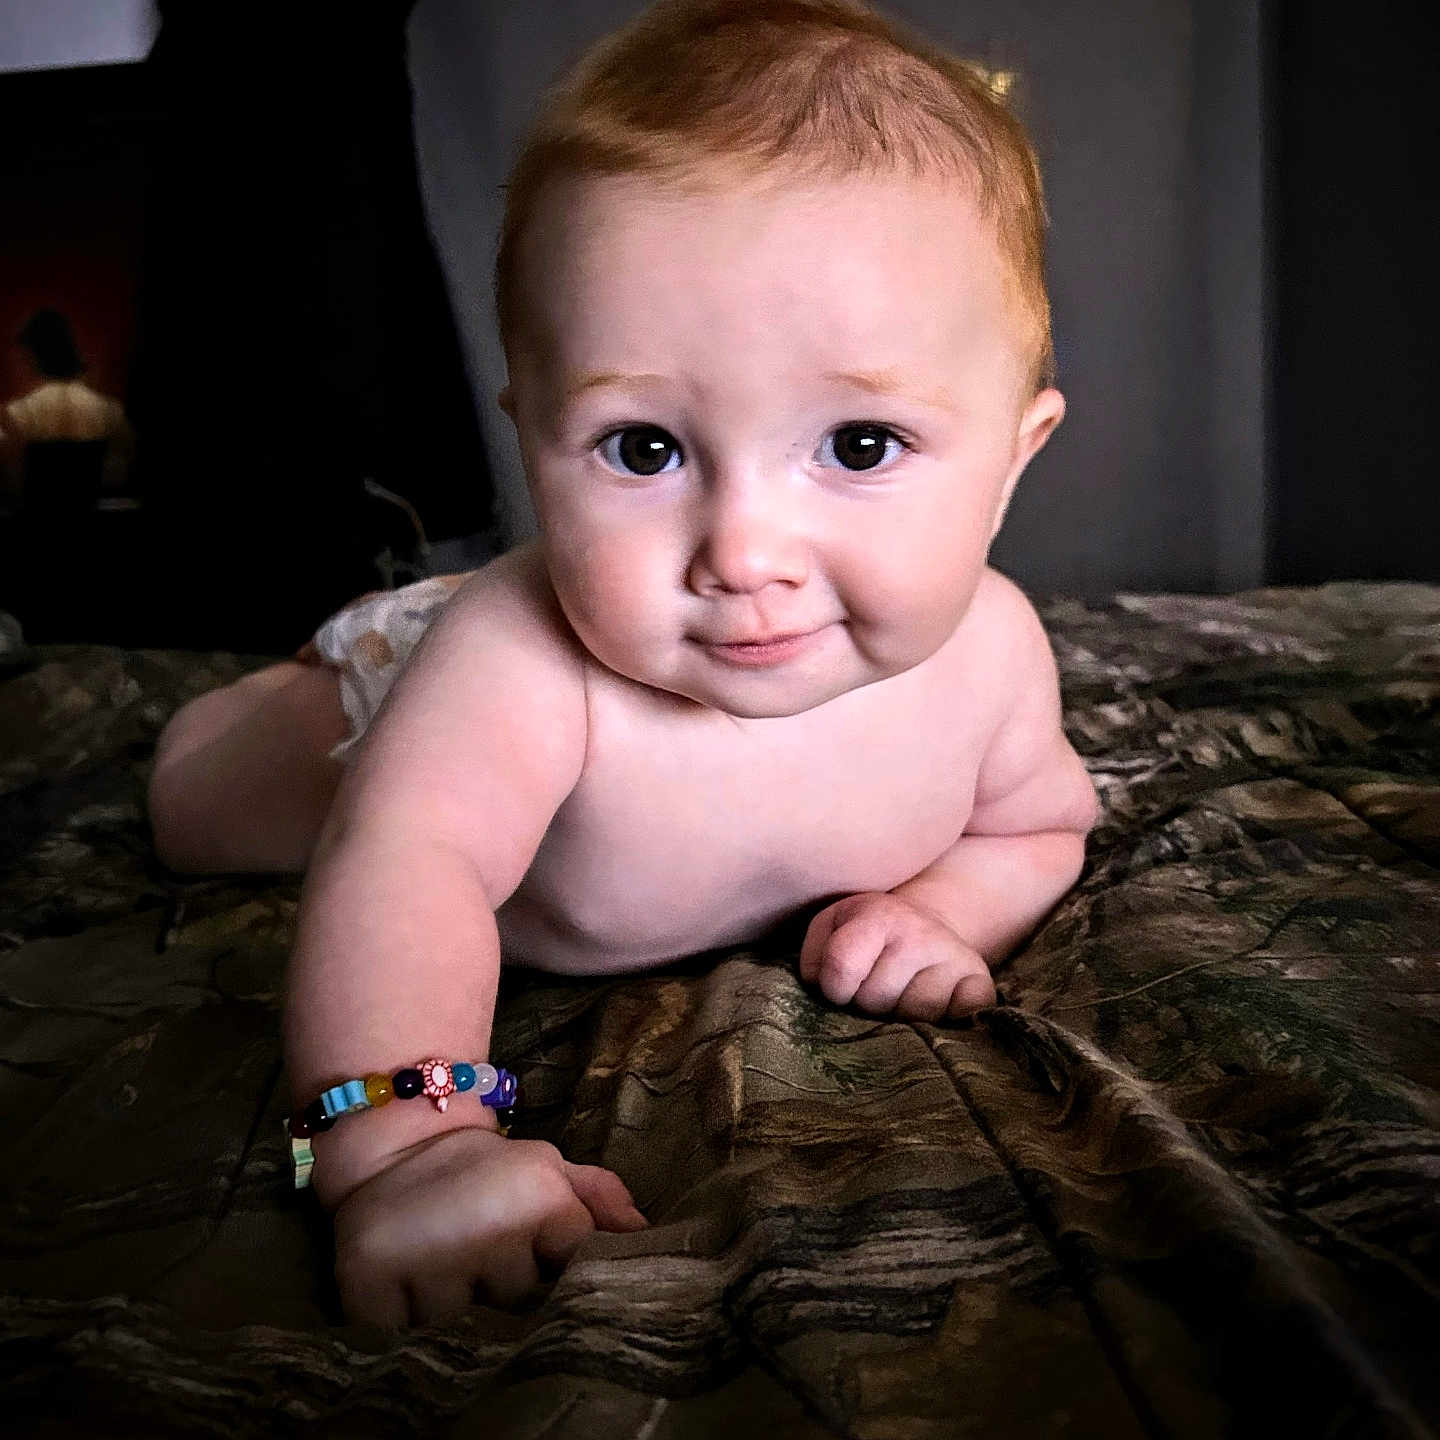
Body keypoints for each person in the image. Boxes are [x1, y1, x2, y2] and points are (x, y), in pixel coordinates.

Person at [147, 0, 1098, 1328]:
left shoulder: (994, 652)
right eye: (643, 449)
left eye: (861, 446)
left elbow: (1046, 823)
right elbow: (407, 862)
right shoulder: (524, 658)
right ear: (531, 437)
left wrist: (945, 907)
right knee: (195, 804)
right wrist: (407, 1157)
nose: (744, 551)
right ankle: (317, 662)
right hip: (392, 692)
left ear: (1012, 457)